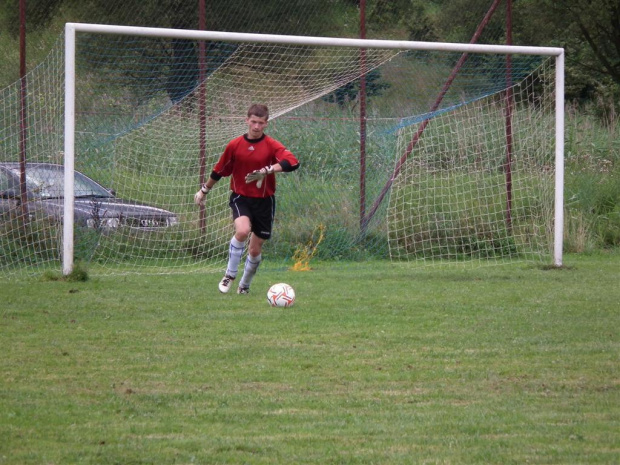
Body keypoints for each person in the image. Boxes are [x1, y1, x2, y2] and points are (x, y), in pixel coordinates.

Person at [194, 104, 300, 294]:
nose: (256, 126)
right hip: (240, 197)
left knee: (254, 251)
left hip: (265, 201)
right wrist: (204, 190)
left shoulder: (271, 145)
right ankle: (229, 275)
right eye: (253, 122)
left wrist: (269, 170)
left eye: (260, 123)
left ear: (266, 123)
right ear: (247, 121)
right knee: (242, 231)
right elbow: (219, 170)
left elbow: (292, 162)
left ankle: (244, 285)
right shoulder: (235, 145)